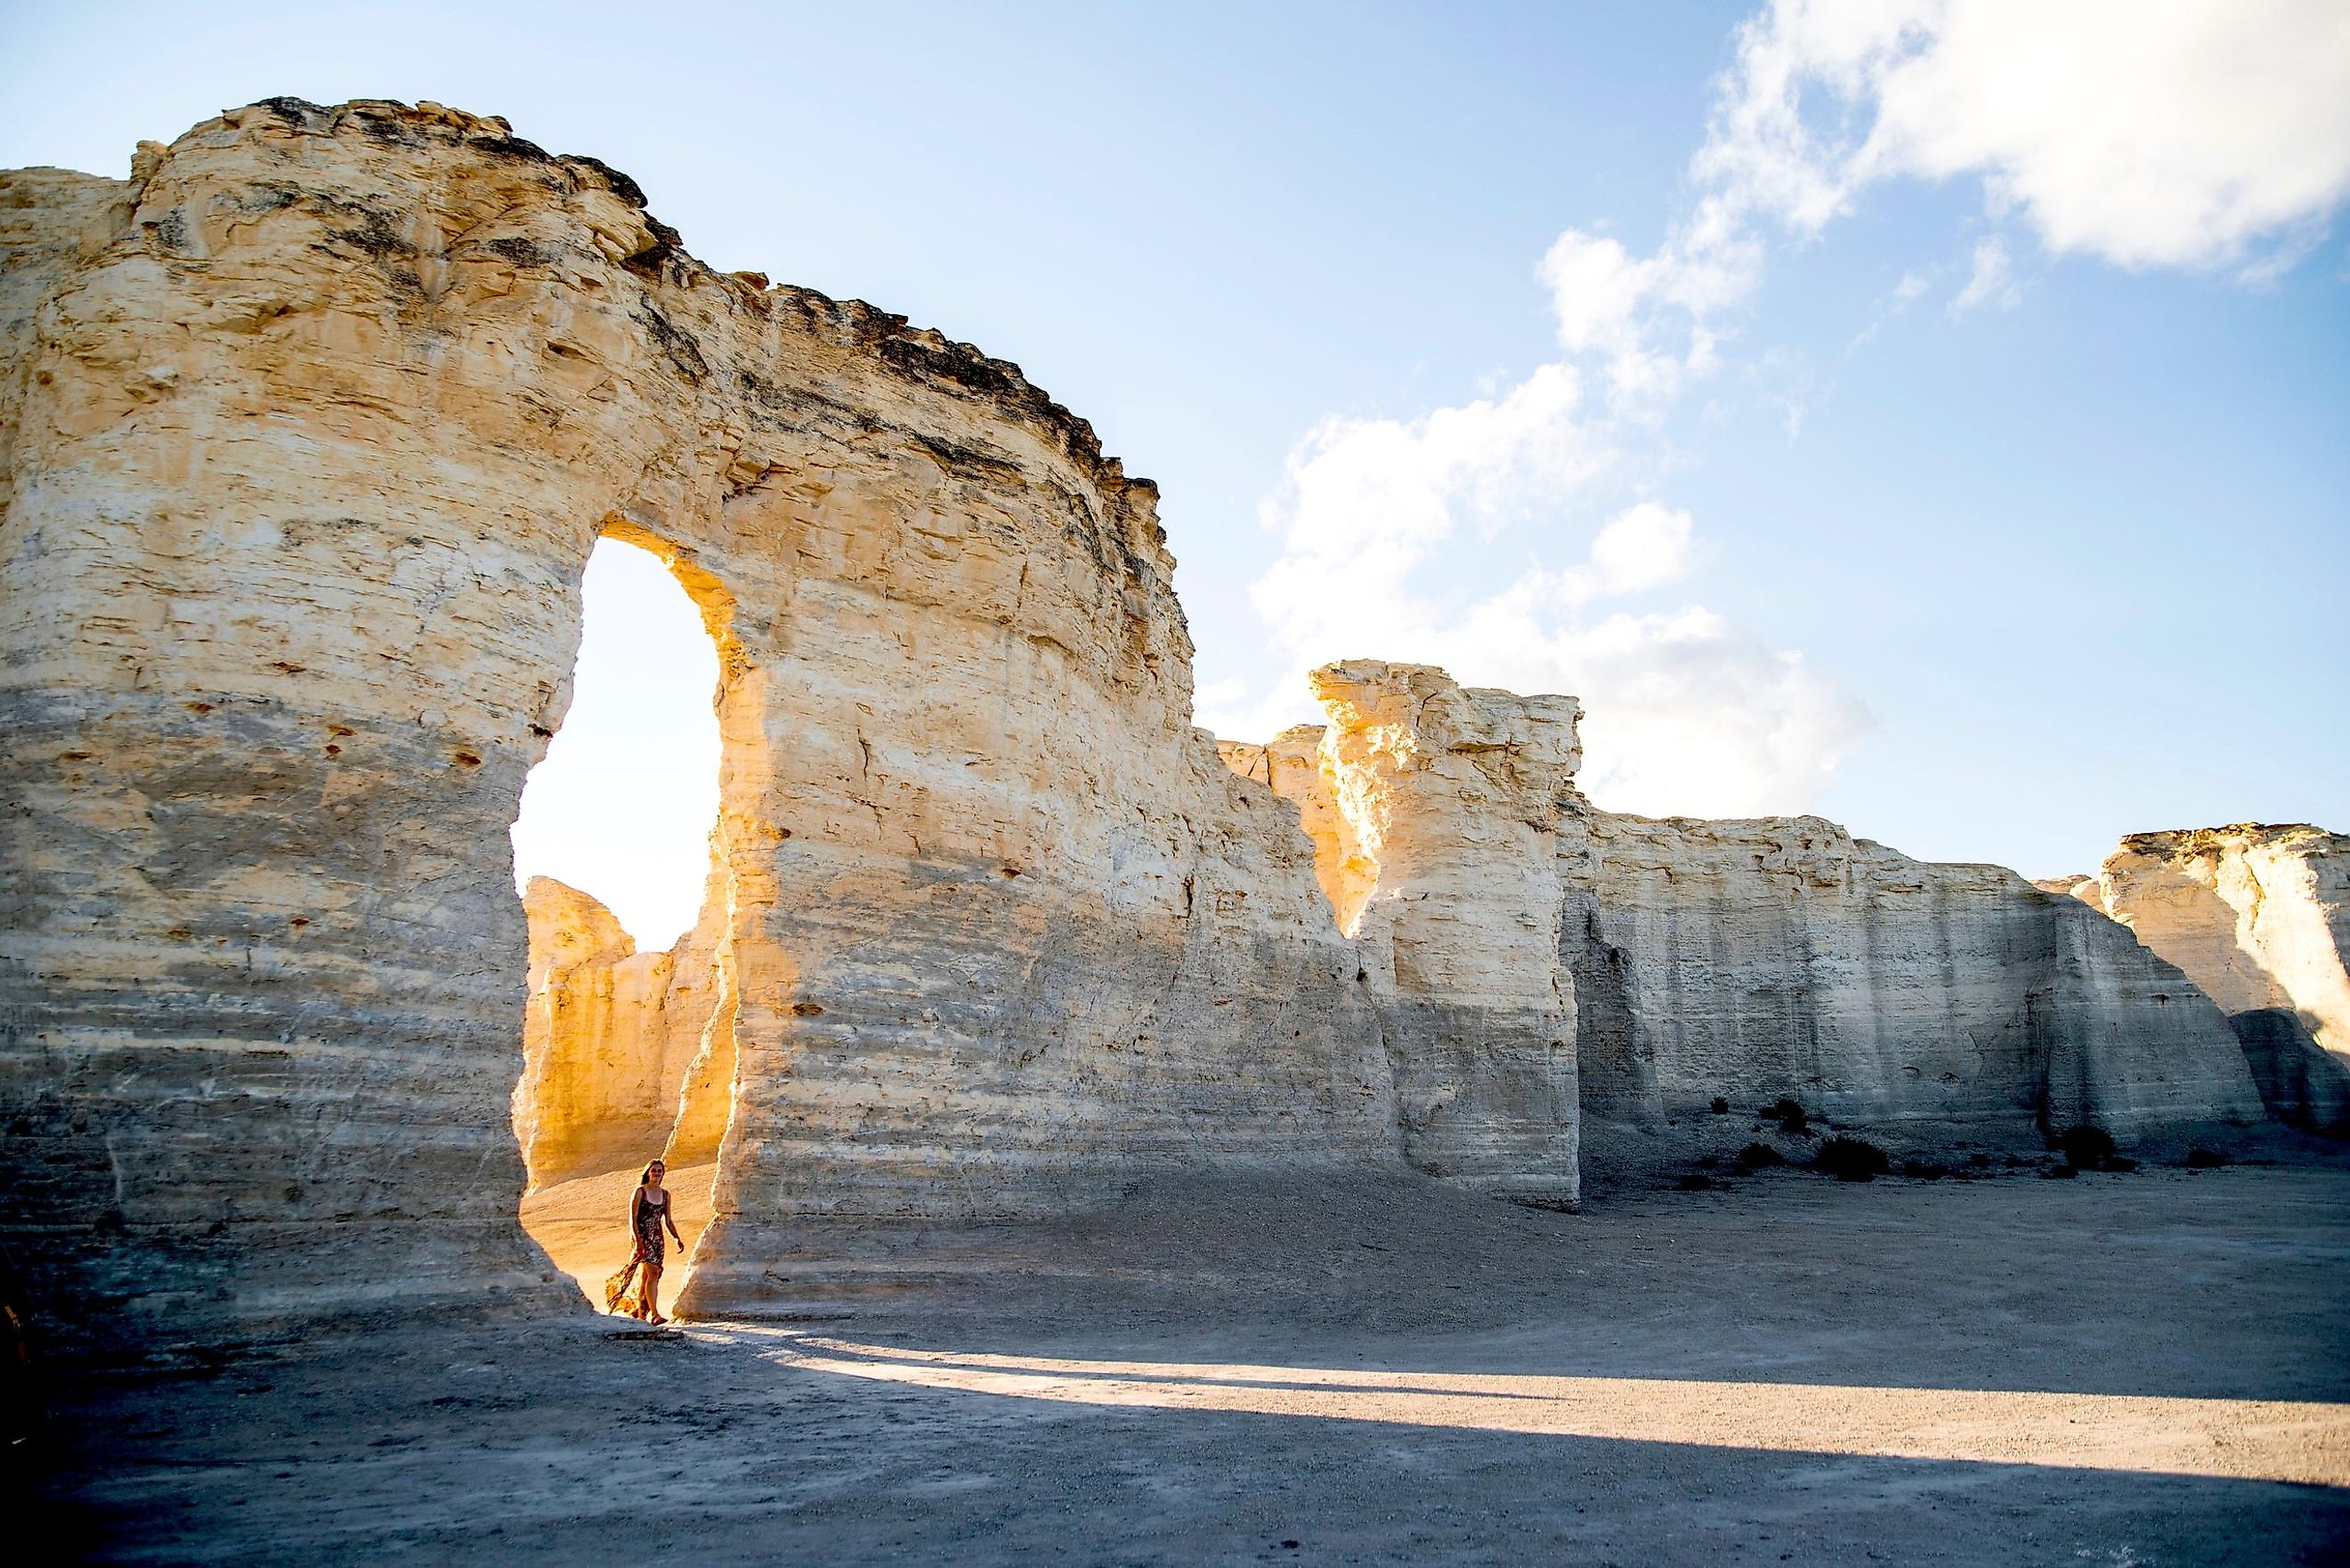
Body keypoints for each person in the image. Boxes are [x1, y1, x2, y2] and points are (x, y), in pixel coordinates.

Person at [607, 1160, 685, 1325]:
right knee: (653, 1272)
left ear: (663, 1174)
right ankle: (655, 1315)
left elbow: (668, 1220)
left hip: (657, 1238)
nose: (656, 1174)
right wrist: (637, 1241)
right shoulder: (640, 1192)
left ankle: (641, 1313)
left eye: (659, 1171)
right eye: (654, 1171)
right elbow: (633, 1219)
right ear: (648, 1173)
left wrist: (677, 1238)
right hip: (642, 1237)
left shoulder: (665, 1195)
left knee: (648, 1277)